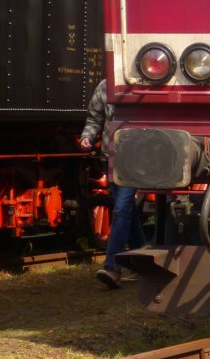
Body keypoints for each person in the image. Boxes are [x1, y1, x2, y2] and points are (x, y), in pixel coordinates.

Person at [80, 80, 145, 288]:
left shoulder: (147, 83)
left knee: (121, 208)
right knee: (127, 209)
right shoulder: (105, 86)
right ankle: (143, 263)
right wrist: (87, 137)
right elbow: (94, 118)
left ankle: (112, 266)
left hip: (137, 156)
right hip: (113, 156)